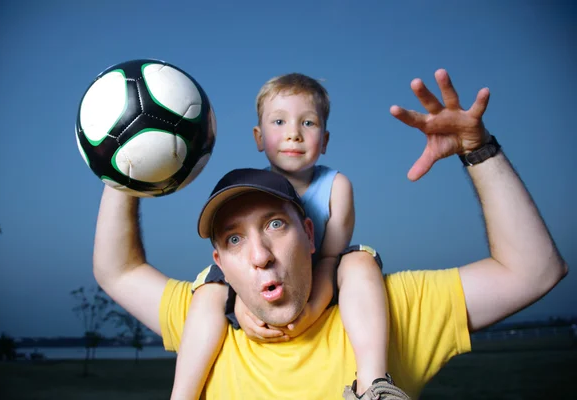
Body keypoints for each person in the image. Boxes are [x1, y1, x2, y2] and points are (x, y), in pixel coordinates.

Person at [92, 69, 568, 399]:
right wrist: (126, 161)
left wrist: (477, 149)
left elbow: (534, 271)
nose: (259, 255)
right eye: (234, 239)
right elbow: (117, 271)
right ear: (218, 261)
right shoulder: (206, 315)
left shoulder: (382, 311)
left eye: (275, 224)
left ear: (310, 232)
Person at [171, 72, 404, 400]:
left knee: (359, 261)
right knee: (207, 289)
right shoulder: (251, 189)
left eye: (308, 123)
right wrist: (239, 309)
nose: (293, 134)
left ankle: (374, 384)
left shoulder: (337, 187)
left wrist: (311, 311)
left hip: (319, 279)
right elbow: (240, 263)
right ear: (258, 137)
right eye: (278, 122)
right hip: (266, 289)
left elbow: (328, 258)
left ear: (324, 141)